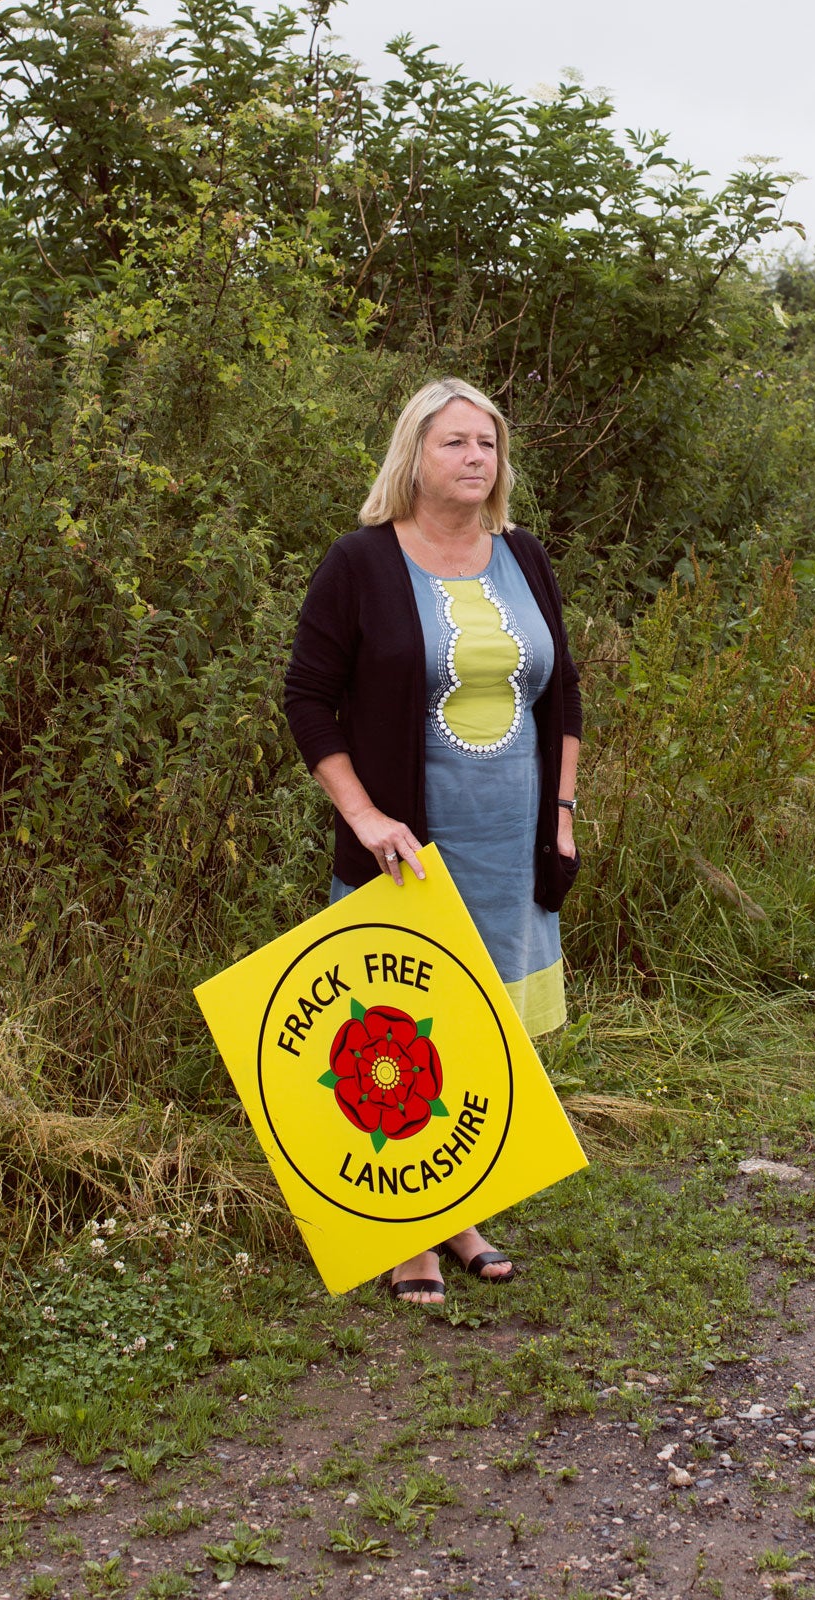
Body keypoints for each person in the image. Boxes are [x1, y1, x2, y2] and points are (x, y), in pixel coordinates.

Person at [284, 376, 582, 1304]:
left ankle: (454, 1214)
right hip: (408, 847)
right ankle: (404, 1234)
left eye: (486, 445)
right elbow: (306, 699)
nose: (473, 460)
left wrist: (562, 818)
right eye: (454, 443)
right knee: (397, 1032)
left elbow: (563, 694)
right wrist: (364, 816)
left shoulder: (522, 557)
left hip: (509, 840)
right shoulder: (361, 562)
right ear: (413, 454)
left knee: (481, 1028)